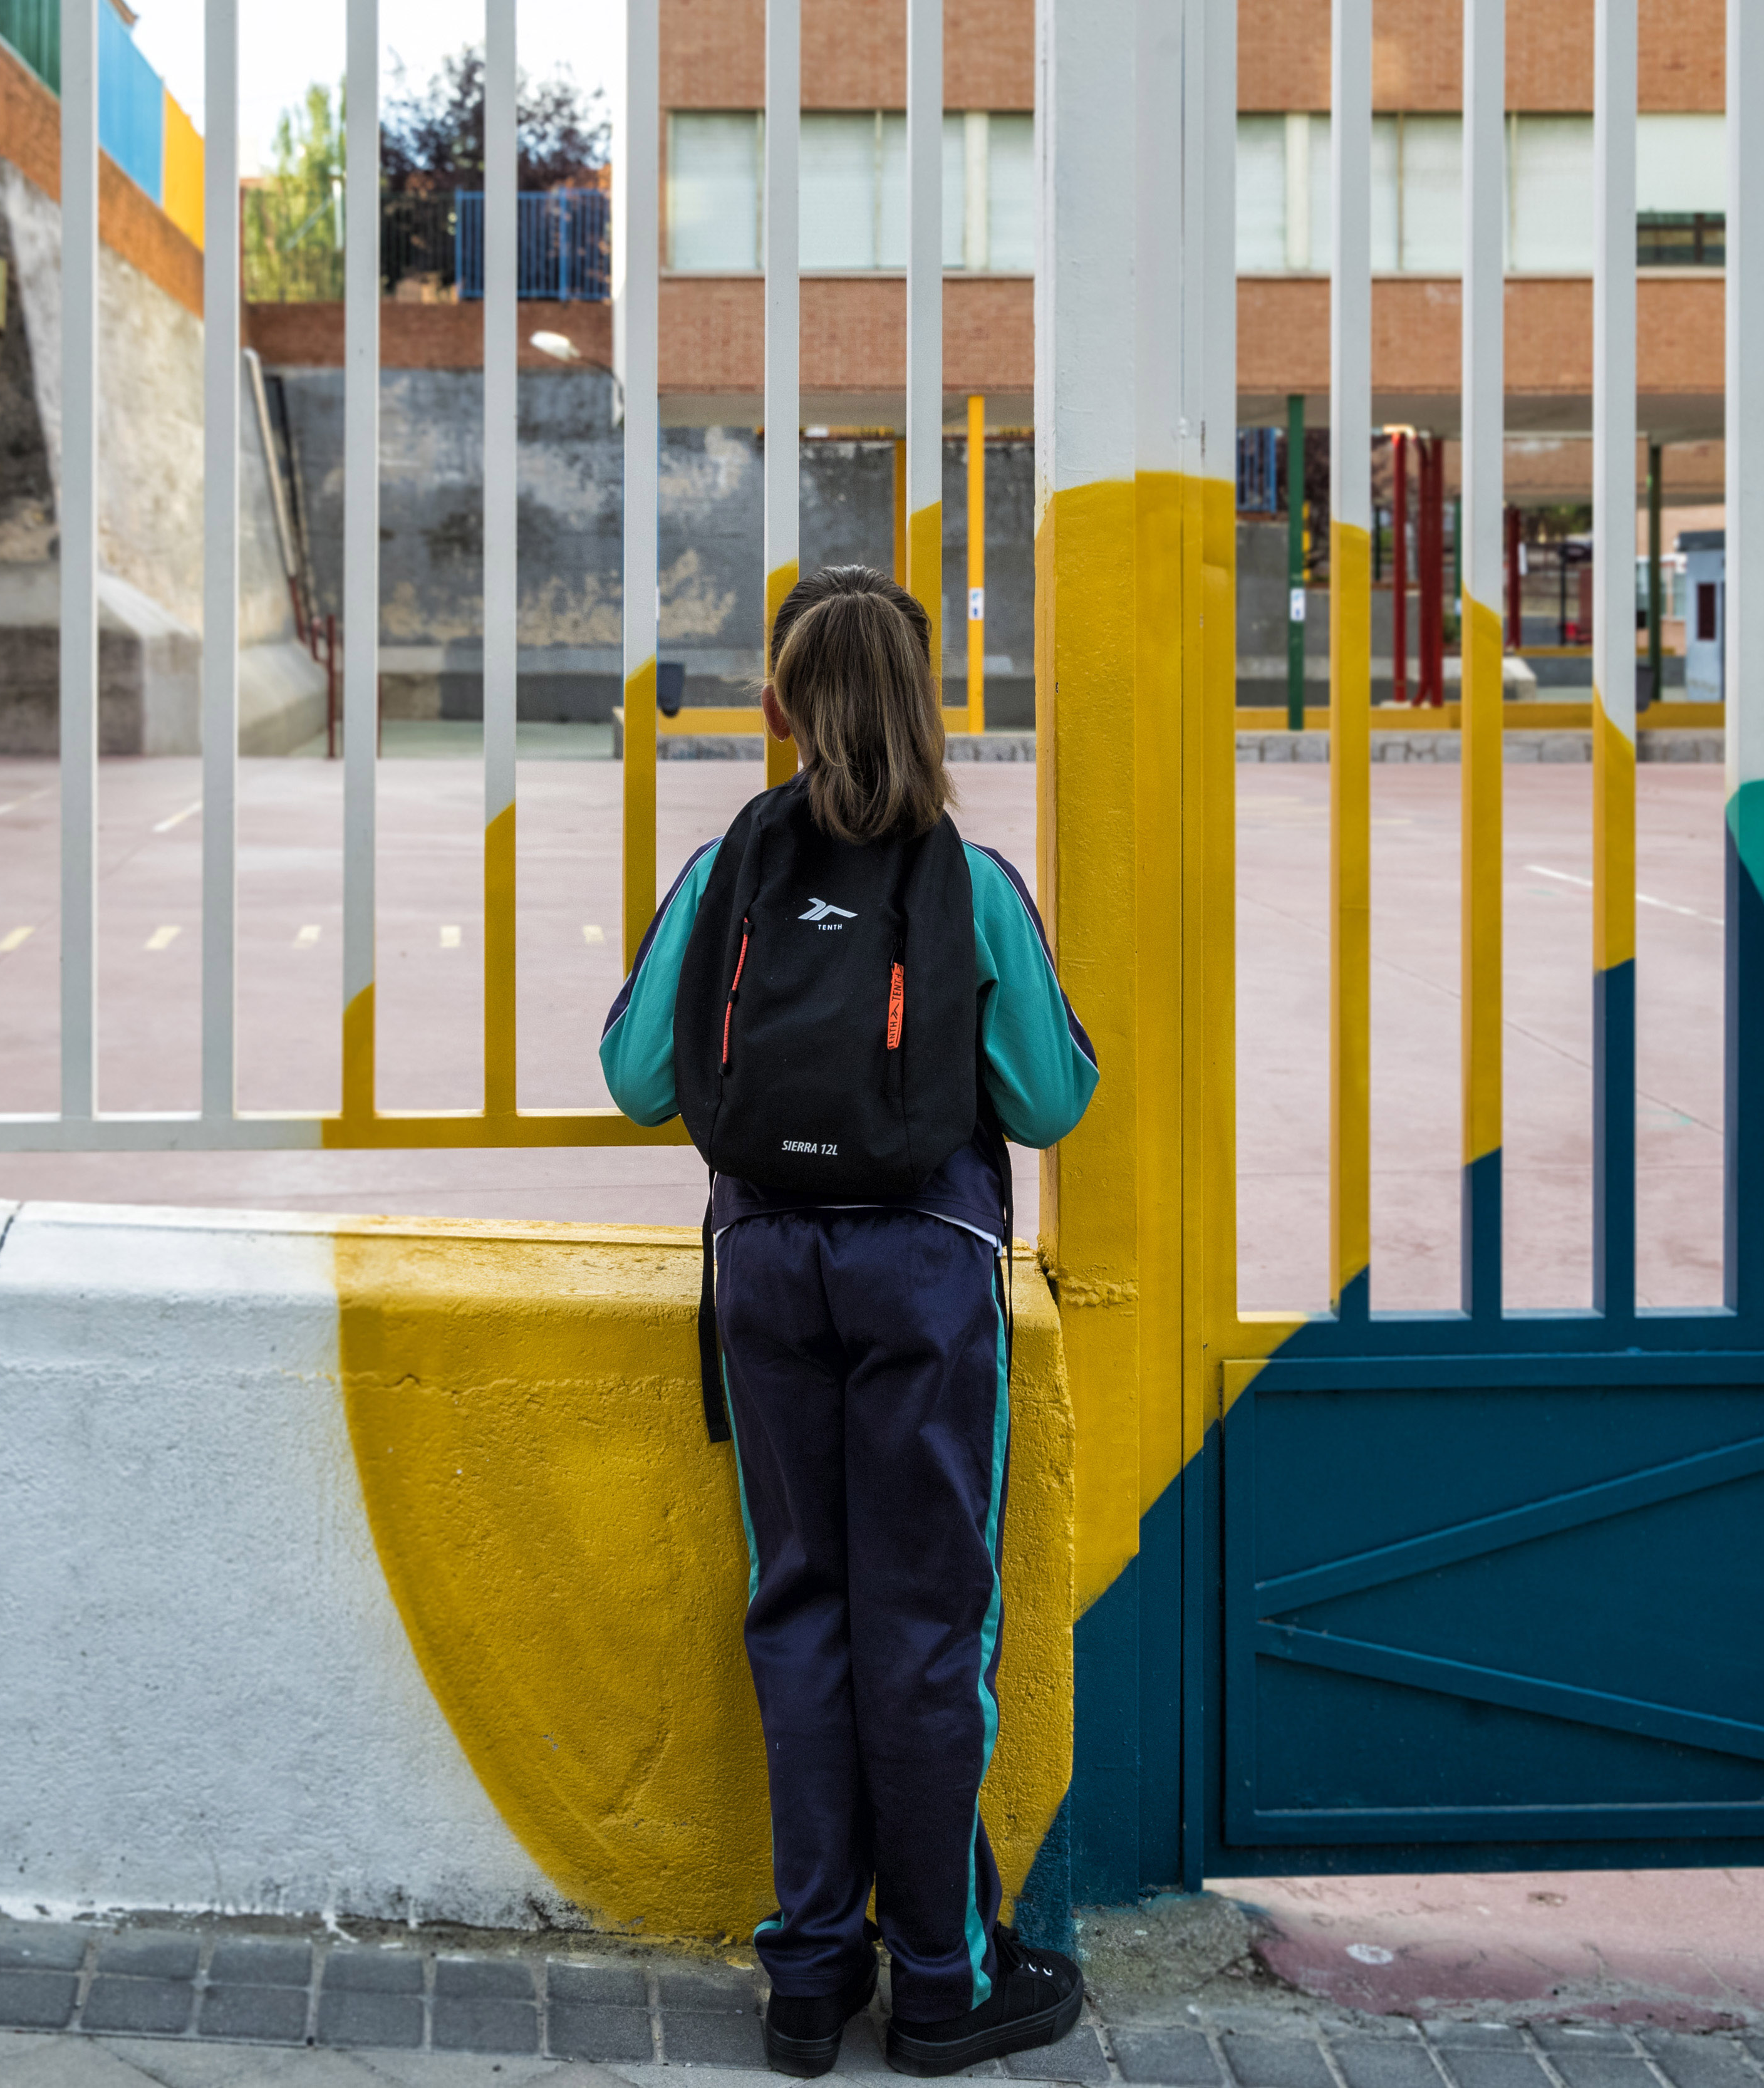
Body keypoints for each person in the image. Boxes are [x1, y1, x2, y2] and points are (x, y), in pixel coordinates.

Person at [600, 567, 1099, 2079]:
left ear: (776, 707)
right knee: (929, 1622)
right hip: (927, 1282)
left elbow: (637, 1076)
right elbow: (1051, 1094)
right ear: (929, 703)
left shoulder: (725, 869)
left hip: (764, 1270)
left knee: (797, 1601)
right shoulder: (972, 883)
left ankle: (808, 1979)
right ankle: (940, 1977)